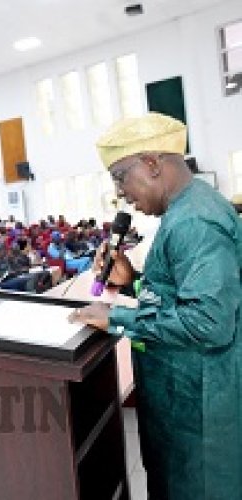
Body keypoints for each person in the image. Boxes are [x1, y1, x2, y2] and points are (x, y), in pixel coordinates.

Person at [69, 112, 242, 499]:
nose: (120, 194)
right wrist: (132, 282)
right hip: (184, 400)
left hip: (200, 416)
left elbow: (209, 322)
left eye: (119, 177)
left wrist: (116, 316)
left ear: (151, 163)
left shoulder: (194, 222)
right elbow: (184, 297)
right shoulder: (185, 211)